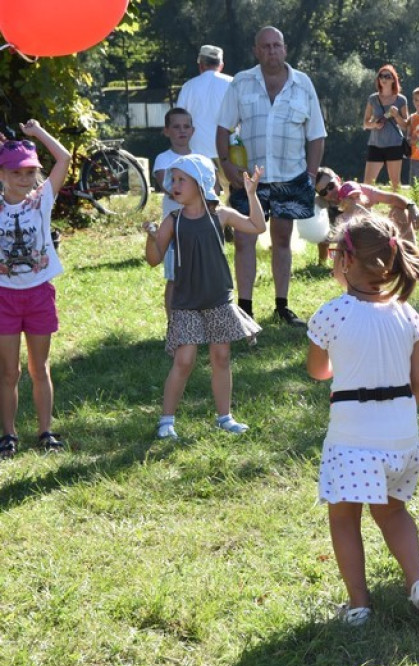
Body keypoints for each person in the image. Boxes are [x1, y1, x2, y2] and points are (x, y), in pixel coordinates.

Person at [305, 212, 419, 627]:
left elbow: (318, 371)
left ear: (344, 261)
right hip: (401, 438)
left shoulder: (331, 314)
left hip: (353, 438)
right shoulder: (408, 315)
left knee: (344, 517)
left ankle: (360, 605)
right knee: (393, 512)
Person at [143, 155, 265, 440]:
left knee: (221, 356)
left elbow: (257, 226)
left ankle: (225, 417)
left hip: (218, 299)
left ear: (201, 183)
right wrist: (151, 238)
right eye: (173, 180)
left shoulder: (220, 215)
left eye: (181, 179)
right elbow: (153, 259)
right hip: (185, 303)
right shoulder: (173, 220)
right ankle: (166, 421)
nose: (174, 185)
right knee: (184, 360)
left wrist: (251, 194)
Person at [216, 26, 326, 328]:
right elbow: (223, 128)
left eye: (276, 45)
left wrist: (311, 174)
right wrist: (226, 164)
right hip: (248, 179)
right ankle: (244, 309)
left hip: (291, 177)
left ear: (285, 48)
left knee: (282, 239)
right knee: (243, 239)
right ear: (256, 50)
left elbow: (316, 135)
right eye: (265, 46)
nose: (271, 51)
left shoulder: (303, 85)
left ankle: (282, 305)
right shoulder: (241, 83)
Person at [0, 121, 71, 457]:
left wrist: (39, 132)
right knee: (8, 370)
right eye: (16, 171)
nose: (24, 179)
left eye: (30, 172)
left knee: (39, 367)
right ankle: (9, 435)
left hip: (39, 293)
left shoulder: (41, 200)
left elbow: (64, 158)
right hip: (4, 297)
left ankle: (45, 431)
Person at [313, 172, 419, 257]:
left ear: (338, 179)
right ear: (320, 195)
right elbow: (321, 238)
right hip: (352, 248)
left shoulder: (357, 190)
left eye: (331, 186)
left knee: (400, 210)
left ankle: (413, 255)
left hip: (375, 236)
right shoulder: (320, 205)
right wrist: (321, 262)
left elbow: (392, 198)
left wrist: (412, 206)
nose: (330, 192)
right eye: (323, 192)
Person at [152, 107, 194, 319]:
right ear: (166, 131)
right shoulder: (163, 159)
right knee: (175, 279)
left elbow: (212, 191)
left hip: (198, 228)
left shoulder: (200, 159)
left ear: (193, 131)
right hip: (174, 230)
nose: (182, 131)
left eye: (186, 126)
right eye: (176, 127)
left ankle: (197, 322)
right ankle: (173, 324)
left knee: (199, 278)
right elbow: (168, 186)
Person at [175, 44, 233, 186]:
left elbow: (178, 119)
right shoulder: (233, 83)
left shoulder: (188, 87)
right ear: (221, 65)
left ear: (201, 65)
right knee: (233, 196)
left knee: (203, 196)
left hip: (198, 150)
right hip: (228, 149)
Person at [362, 65, 409, 192]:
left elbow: (405, 126)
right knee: (367, 184)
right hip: (375, 145)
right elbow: (365, 124)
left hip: (394, 144)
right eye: (381, 76)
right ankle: (366, 210)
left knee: (395, 183)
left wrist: (396, 115)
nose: (384, 79)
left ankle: (398, 210)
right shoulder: (372, 98)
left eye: (388, 76)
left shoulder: (401, 99)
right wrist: (374, 124)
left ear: (393, 79)